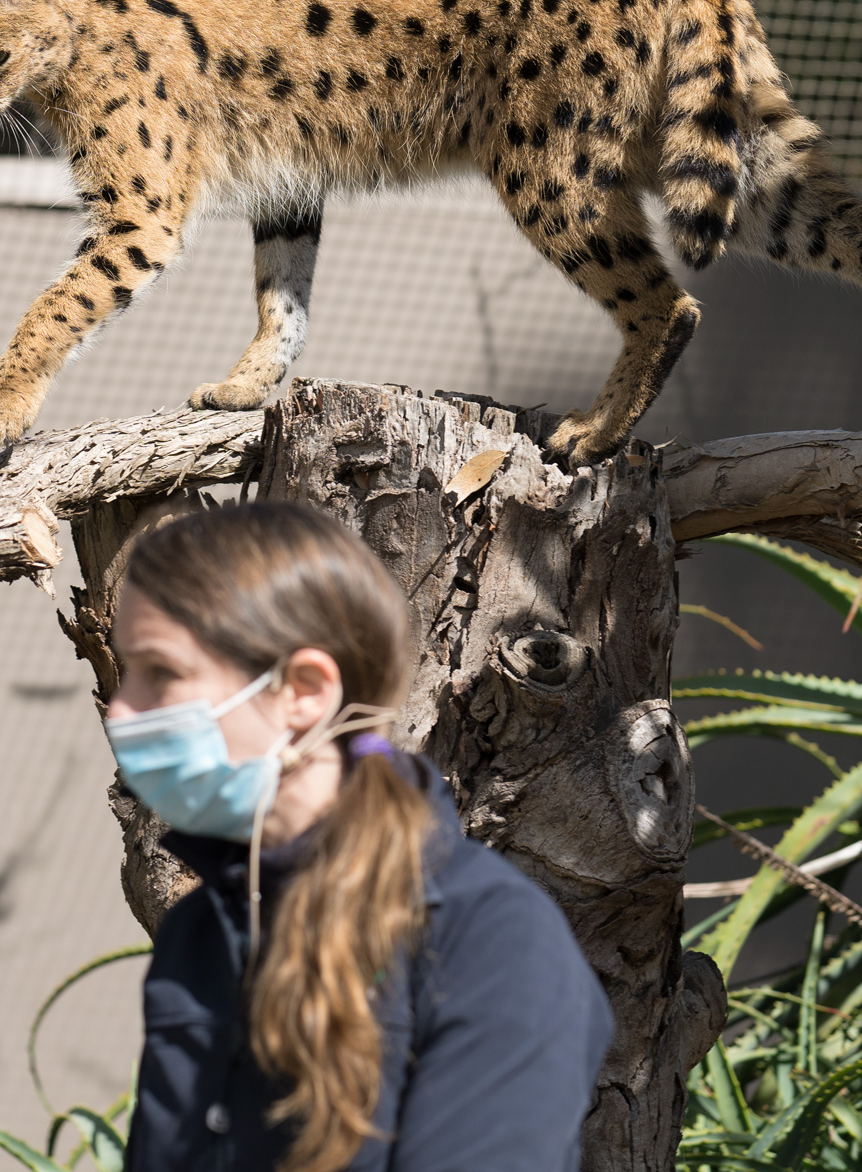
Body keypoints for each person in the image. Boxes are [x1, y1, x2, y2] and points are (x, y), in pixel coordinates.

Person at [107, 501, 613, 1172]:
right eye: (126, 672)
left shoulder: (488, 933)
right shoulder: (201, 931)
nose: (120, 711)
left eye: (160, 673)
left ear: (305, 690)